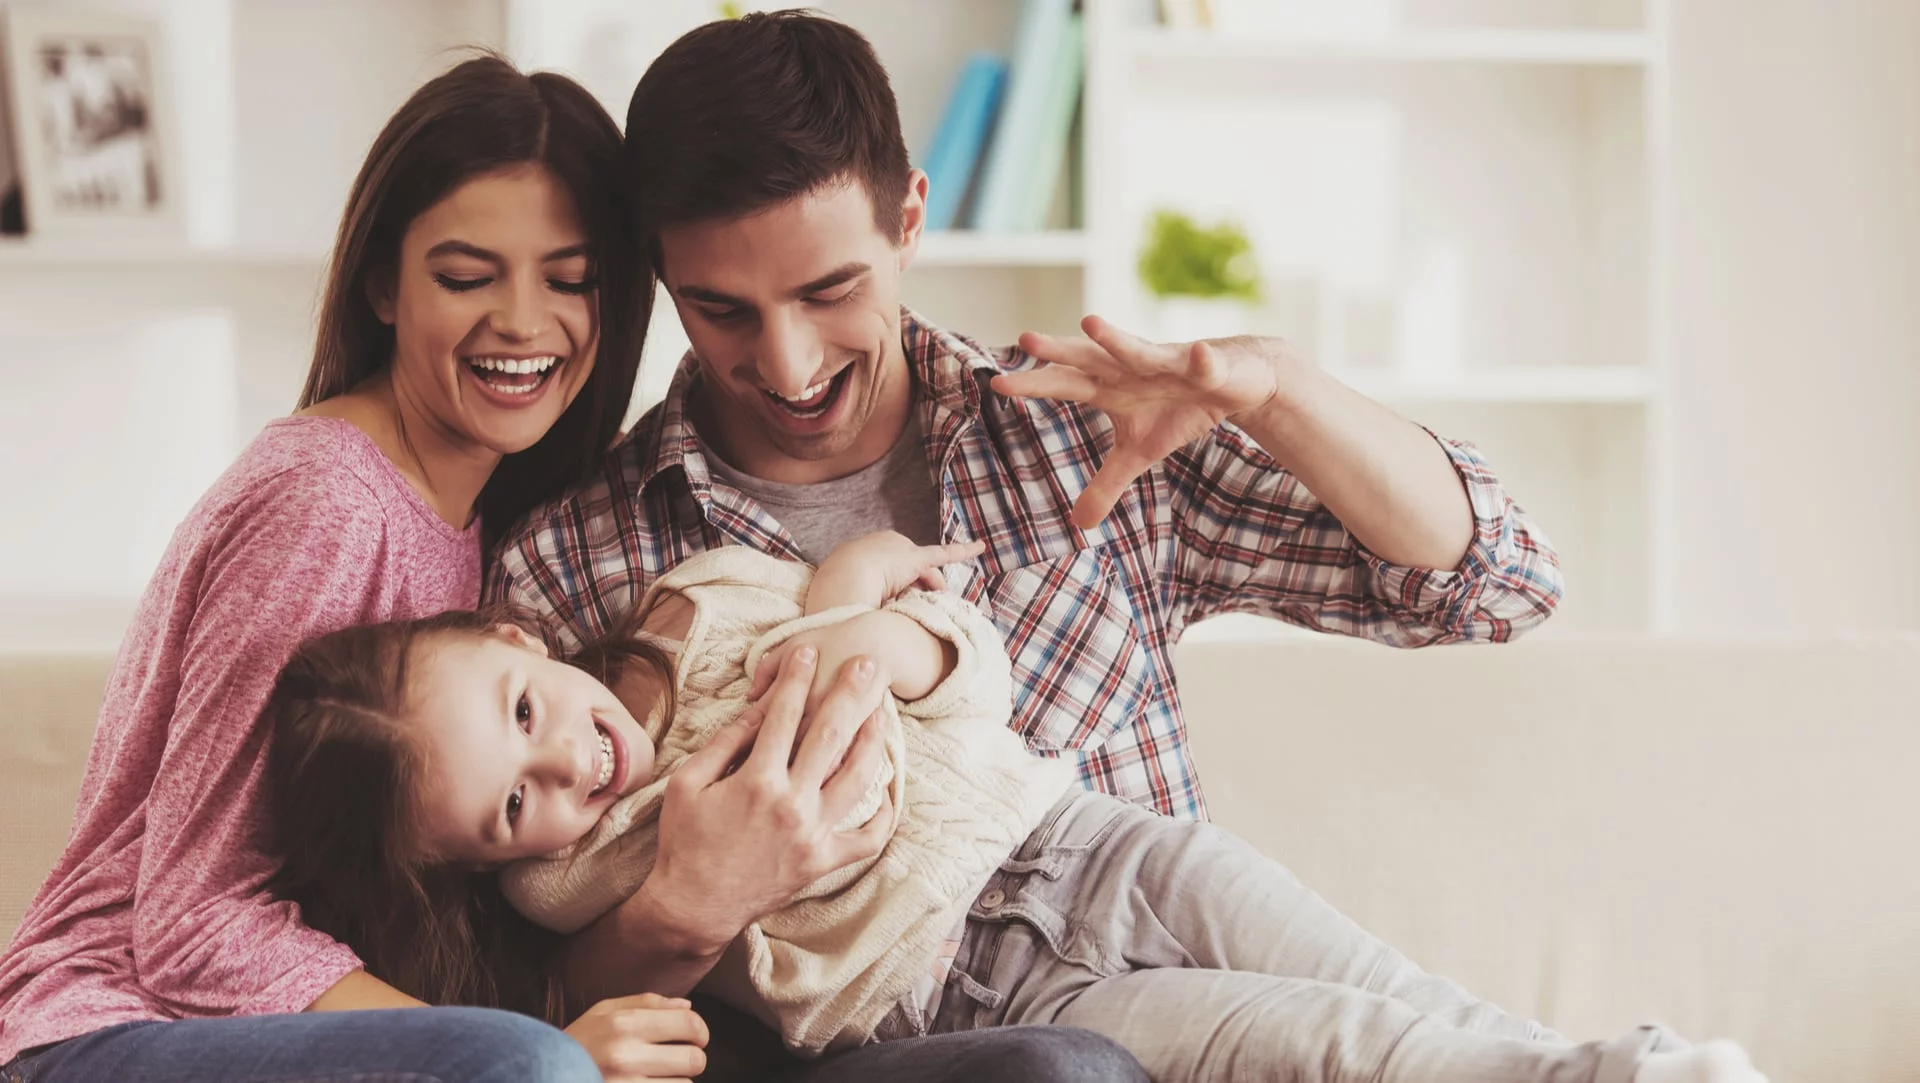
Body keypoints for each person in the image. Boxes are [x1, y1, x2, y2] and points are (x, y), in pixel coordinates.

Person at [490, 10, 1564, 1074]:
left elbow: (1493, 584)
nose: (790, 363)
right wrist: (685, 905)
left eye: (831, 292)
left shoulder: (1081, 433)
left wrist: (1273, 390)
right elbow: (503, 994)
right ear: (662, 275)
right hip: (912, 1050)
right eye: (722, 310)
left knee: (1430, 1046)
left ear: (908, 220)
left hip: (1181, 1018)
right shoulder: (579, 561)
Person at [263, 531, 1767, 1082]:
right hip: (973, 985)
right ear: (486, 862)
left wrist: (880, 622)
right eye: (508, 807)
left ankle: (1632, 1070)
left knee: (1409, 1002)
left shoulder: (701, 596)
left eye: (526, 717)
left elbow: (956, 665)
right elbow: (642, 945)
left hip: (1085, 839)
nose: (563, 773)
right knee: (1335, 1048)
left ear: (521, 635)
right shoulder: (565, 890)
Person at [0, 54, 671, 1083]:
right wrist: (509, 1047)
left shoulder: (495, 526)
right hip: (106, 1027)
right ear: (382, 287)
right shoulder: (327, 505)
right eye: (465, 276)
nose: (526, 324)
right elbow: (193, 922)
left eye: (570, 280)